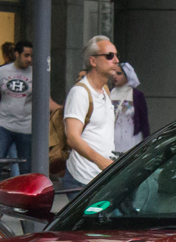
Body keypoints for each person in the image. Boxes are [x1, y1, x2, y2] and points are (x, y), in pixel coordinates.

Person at [0, 40, 35, 214]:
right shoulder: (2, 72)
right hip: (3, 124)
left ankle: (27, 207)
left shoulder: (36, 73)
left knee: (26, 169)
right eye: (26, 55)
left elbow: (44, 101)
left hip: (26, 126)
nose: (29, 59)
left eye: (31, 56)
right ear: (16, 54)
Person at [63, 35, 119, 190]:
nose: (116, 60)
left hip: (102, 177)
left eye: (116, 55)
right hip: (83, 179)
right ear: (93, 61)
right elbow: (72, 137)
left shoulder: (105, 90)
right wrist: (100, 161)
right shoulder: (80, 93)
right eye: (109, 56)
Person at [110, 62, 150, 155]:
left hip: (131, 140)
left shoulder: (137, 95)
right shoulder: (109, 93)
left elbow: (144, 121)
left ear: (127, 76)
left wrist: (147, 143)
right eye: (114, 73)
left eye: (119, 73)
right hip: (112, 140)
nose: (115, 76)